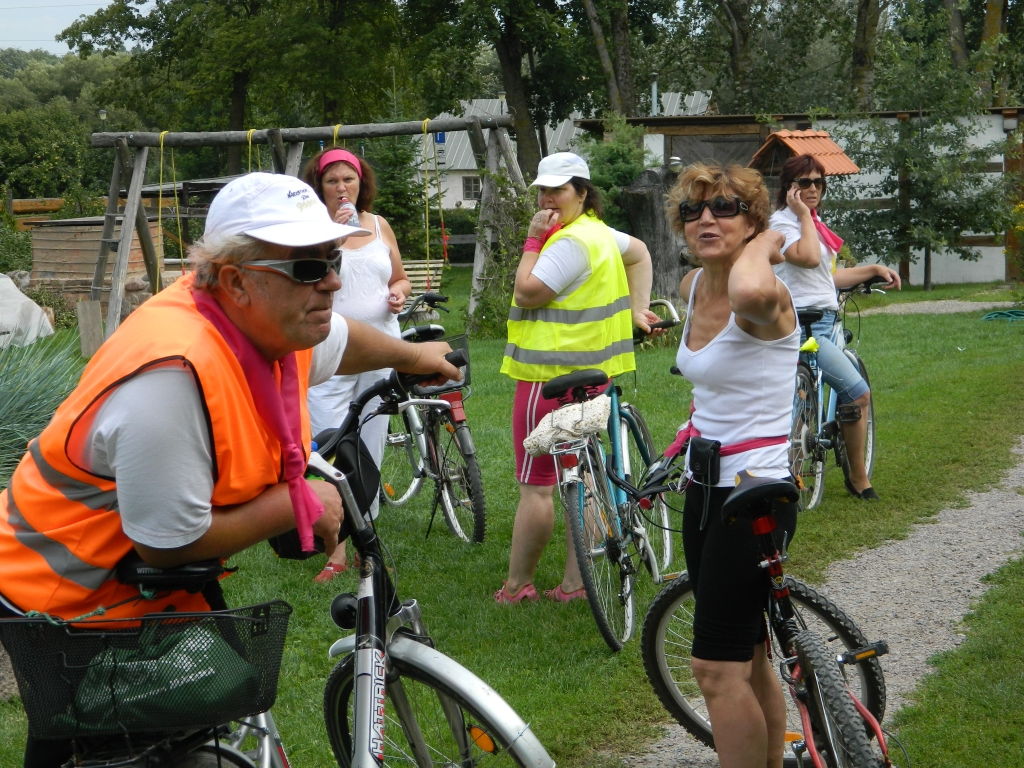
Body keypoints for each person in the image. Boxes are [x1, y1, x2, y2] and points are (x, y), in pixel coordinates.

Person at [0, 173, 459, 768]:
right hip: (69, 600)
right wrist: (299, 503)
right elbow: (168, 541)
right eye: (308, 267)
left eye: (332, 260)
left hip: (139, 578)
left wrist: (415, 356)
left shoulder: (267, 318)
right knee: (112, 749)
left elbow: (340, 342)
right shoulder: (172, 376)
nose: (332, 282)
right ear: (237, 280)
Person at [667, 162, 798, 768]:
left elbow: (747, 291)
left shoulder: (764, 295)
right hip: (705, 483)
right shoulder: (695, 285)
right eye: (692, 210)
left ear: (752, 221)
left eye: (723, 208)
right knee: (746, 655)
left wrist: (769, 243)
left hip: (754, 492)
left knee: (714, 669)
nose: (705, 219)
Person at [496, 152, 662, 604]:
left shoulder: (567, 242)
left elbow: (527, 292)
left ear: (583, 193)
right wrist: (637, 308)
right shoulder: (598, 232)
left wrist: (532, 241)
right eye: (543, 191)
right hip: (594, 376)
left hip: (547, 379)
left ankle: (517, 586)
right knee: (583, 476)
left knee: (537, 487)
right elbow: (640, 253)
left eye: (558, 190)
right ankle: (575, 585)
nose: (548, 199)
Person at [301, 147, 411, 581]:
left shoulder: (379, 225)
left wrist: (398, 292)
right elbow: (307, 281)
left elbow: (398, 276)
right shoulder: (310, 229)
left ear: (361, 183)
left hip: (381, 347)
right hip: (330, 350)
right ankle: (335, 548)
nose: (342, 187)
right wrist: (332, 235)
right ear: (319, 187)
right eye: (332, 181)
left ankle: (367, 541)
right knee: (329, 441)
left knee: (370, 442)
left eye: (349, 179)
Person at [768, 154, 900, 501]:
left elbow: (827, 278)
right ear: (788, 188)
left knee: (820, 394)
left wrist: (872, 269)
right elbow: (809, 258)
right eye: (804, 182)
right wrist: (802, 215)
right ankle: (858, 477)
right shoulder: (782, 225)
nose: (813, 189)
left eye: (819, 182)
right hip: (803, 325)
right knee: (858, 394)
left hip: (824, 318)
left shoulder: (812, 224)